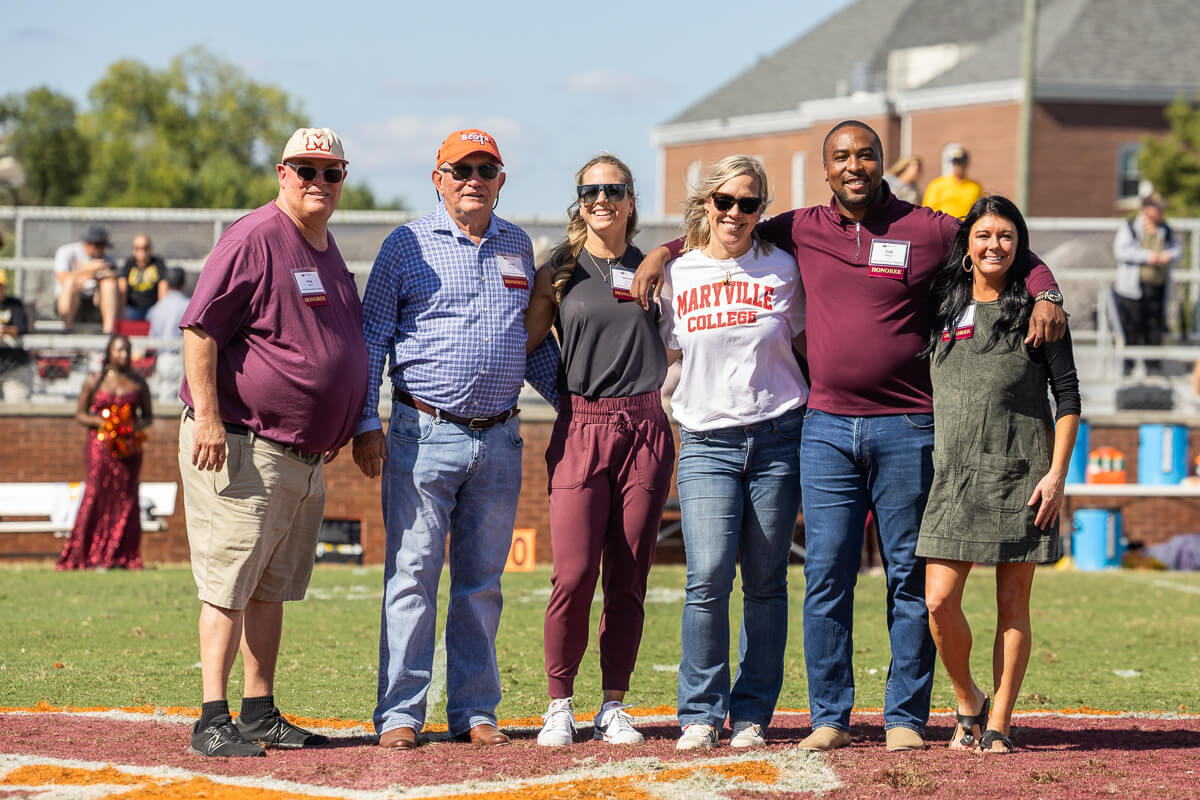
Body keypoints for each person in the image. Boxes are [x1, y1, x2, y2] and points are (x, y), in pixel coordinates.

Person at [631, 120, 1065, 752]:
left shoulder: (930, 227)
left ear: (881, 160)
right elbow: (726, 227)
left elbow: (1003, 241)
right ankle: (830, 716)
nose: (854, 165)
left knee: (907, 579)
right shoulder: (800, 227)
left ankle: (904, 720)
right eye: (842, 157)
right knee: (826, 577)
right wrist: (663, 251)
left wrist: (1045, 288)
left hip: (910, 426)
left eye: (865, 154)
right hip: (826, 428)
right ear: (826, 169)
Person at [353, 129, 559, 751]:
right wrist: (367, 420)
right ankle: (400, 715)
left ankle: (474, 709)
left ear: (502, 179)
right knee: (413, 574)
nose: (474, 178)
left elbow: (531, 347)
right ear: (437, 178)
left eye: (485, 168)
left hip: (499, 437)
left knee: (481, 583)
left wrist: (580, 405)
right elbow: (371, 339)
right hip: (422, 432)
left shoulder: (519, 245)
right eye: (460, 168)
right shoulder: (405, 244)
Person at [178, 127, 367, 757]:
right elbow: (201, 329)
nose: (318, 181)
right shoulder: (256, 236)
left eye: (331, 171)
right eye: (305, 169)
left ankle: (259, 711)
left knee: (270, 588)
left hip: (300, 454)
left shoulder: (326, 244)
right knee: (229, 583)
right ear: (282, 174)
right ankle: (212, 717)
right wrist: (207, 417)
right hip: (242, 441)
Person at [918, 195, 1080, 754]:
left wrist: (1056, 475)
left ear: (1020, 245)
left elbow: (1069, 398)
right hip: (954, 477)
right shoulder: (940, 304)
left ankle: (999, 724)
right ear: (967, 244)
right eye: (984, 235)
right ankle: (969, 700)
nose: (994, 246)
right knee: (938, 600)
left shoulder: (1039, 312)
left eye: (1006, 236)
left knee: (1012, 605)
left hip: (1022, 474)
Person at [523, 155, 674, 747]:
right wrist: (560, 394)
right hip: (582, 425)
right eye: (590, 191)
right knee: (575, 574)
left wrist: (665, 252)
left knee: (630, 575)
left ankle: (613, 704)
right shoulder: (556, 270)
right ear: (578, 200)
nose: (601, 199)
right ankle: (559, 702)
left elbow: (711, 238)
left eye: (613, 190)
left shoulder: (658, 269)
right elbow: (525, 342)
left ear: (632, 199)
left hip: (647, 426)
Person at [659, 155, 807, 751]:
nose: (736, 214)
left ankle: (751, 713)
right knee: (708, 576)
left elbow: (804, 344)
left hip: (777, 435)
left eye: (749, 204)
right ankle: (700, 710)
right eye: (725, 202)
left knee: (767, 582)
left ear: (761, 210)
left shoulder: (784, 270)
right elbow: (671, 355)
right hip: (705, 442)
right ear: (706, 205)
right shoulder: (678, 273)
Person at [55, 334, 153, 570]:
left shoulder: (139, 383)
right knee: (96, 493)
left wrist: (128, 427)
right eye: (119, 350)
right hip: (100, 447)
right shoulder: (94, 381)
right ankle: (87, 553)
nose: (124, 355)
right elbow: (80, 414)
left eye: (127, 351)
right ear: (109, 353)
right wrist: (101, 423)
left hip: (128, 448)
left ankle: (122, 555)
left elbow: (147, 417)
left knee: (126, 496)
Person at [1113, 193, 1181, 374]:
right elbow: (1121, 251)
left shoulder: (1165, 229)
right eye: (1157, 208)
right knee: (1132, 328)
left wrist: (1168, 256)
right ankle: (1129, 367)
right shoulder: (1130, 227)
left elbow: (1176, 249)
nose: (1160, 212)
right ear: (1146, 209)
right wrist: (1148, 257)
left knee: (1154, 328)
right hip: (1132, 289)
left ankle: (1153, 366)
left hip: (1156, 287)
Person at [54, 225, 120, 333]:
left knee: (109, 284)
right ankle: (67, 329)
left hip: (95, 303)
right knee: (70, 282)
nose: (103, 249)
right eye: (100, 245)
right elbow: (62, 277)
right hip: (69, 302)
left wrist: (98, 276)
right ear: (90, 243)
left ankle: (108, 332)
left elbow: (116, 276)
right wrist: (89, 270)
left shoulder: (106, 258)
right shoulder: (67, 252)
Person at [147, 267, 191, 403]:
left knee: (164, 401)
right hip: (181, 359)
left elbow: (152, 337)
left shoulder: (157, 307)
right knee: (182, 403)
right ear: (184, 283)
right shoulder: (189, 305)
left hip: (162, 358)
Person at [922, 147, 982, 219]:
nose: (958, 166)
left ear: (967, 164)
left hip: (965, 227)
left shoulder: (975, 186)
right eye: (956, 163)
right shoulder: (938, 184)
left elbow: (980, 209)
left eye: (961, 163)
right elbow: (927, 209)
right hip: (942, 226)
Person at [0, 270, 33, 402]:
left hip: (14, 368)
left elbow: (20, 329)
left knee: (16, 407)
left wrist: (4, 330)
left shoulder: (14, 304)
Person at [119, 234, 167, 321]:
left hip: (152, 307)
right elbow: (122, 286)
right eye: (138, 248)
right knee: (129, 314)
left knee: (157, 316)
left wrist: (161, 310)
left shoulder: (157, 262)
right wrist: (121, 313)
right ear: (134, 250)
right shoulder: (129, 263)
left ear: (150, 248)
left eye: (145, 247)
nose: (142, 251)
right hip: (133, 306)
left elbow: (163, 286)